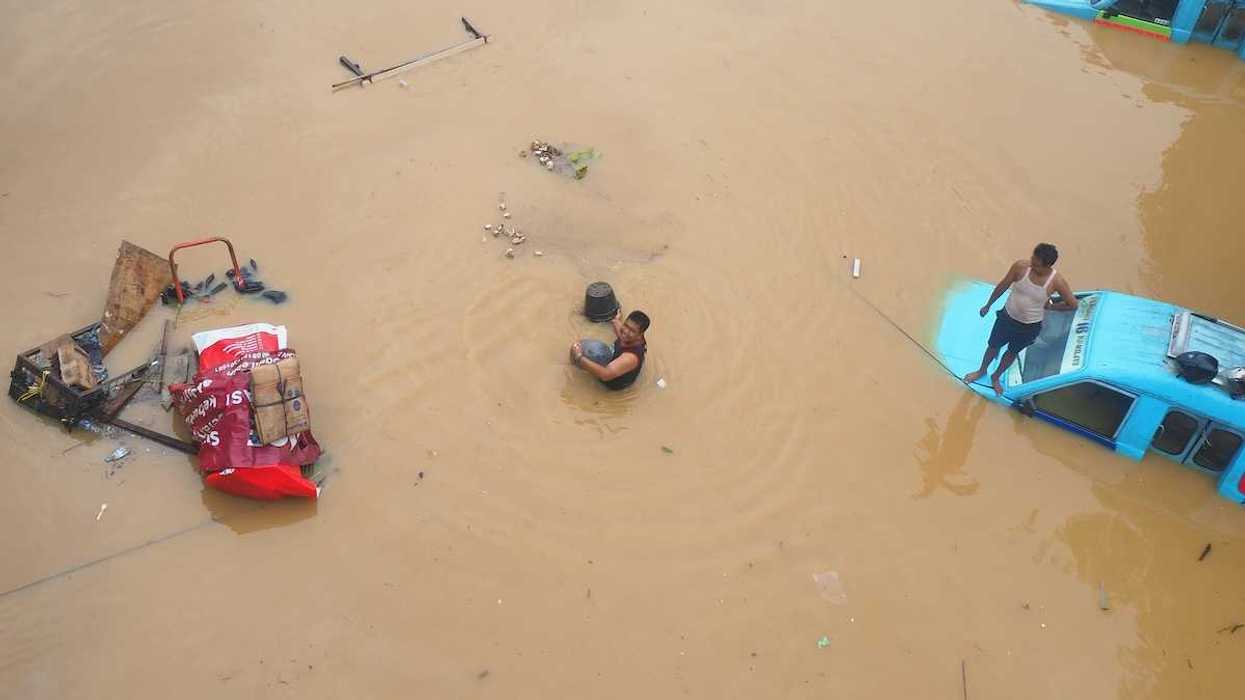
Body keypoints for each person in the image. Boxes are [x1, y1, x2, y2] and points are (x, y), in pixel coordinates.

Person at [964, 243, 1077, 395]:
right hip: (1007, 318)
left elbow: (1072, 304)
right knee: (992, 346)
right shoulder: (1021, 267)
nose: (1032, 263)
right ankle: (981, 371)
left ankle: (996, 377)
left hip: (1029, 327)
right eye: (1032, 258)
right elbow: (1003, 285)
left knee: (1012, 352)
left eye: (1036, 264)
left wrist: (1051, 307)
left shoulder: (1056, 281)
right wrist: (988, 304)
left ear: (1047, 266)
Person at [570, 309, 650, 390]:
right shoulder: (630, 337)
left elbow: (605, 375)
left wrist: (579, 357)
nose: (626, 331)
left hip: (612, 381)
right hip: (617, 362)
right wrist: (615, 320)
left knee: (592, 351)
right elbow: (621, 333)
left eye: (632, 330)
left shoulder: (630, 357)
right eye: (626, 325)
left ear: (640, 334)